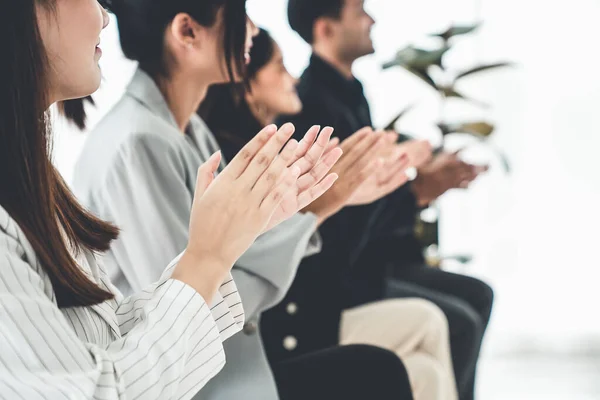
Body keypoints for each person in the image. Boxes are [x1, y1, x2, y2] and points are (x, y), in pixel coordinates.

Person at [66, 1, 415, 399]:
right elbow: (190, 312)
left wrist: (320, 201)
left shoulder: (186, 128)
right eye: (240, 14)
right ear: (187, 32)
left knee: (380, 366)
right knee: (378, 370)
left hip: (237, 366)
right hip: (202, 384)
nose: (252, 29)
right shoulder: (139, 142)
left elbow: (234, 254)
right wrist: (315, 209)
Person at [0, 0, 328, 398]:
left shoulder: (38, 183)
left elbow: (107, 336)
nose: (105, 16)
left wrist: (240, 233)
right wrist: (209, 256)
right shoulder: (136, 140)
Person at [200, 28, 459, 400]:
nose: (292, 78)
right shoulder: (248, 154)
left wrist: (368, 188)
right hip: (285, 325)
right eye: (279, 67)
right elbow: (303, 253)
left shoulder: (277, 142)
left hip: (312, 303)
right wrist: (353, 194)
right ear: (248, 85)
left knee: (426, 368)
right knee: (430, 329)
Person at [265, 1, 495, 399]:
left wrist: (421, 183)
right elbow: (337, 215)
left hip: (367, 259)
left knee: (477, 296)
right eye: (359, 12)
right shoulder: (311, 107)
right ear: (327, 28)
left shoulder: (350, 93)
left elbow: (370, 191)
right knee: (461, 320)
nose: (372, 20)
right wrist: (418, 191)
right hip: (343, 273)